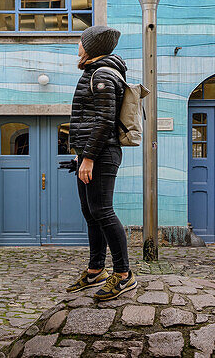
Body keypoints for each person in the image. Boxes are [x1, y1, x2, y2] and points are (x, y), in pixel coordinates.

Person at [66, 24, 136, 301]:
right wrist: (81, 153)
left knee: (103, 211)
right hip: (92, 153)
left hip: (102, 154)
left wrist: (90, 157)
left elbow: (104, 121)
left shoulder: (102, 75)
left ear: (91, 47)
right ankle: (96, 269)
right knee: (90, 211)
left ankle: (123, 275)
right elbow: (89, 118)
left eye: (81, 42)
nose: (78, 46)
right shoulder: (95, 72)